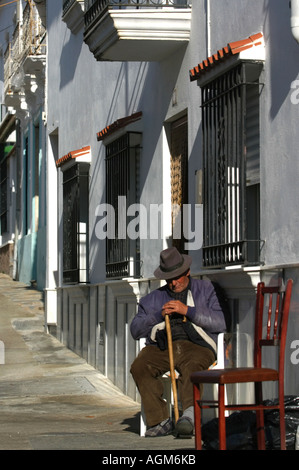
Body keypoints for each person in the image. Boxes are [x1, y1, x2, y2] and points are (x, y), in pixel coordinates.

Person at [130, 247, 227, 438]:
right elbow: (135, 329)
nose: (174, 283)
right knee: (140, 366)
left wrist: (187, 311)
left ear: (187, 272)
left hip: (198, 344)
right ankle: (160, 420)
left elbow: (221, 322)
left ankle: (188, 417)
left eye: (177, 278)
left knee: (192, 367)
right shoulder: (153, 299)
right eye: (169, 279)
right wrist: (158, 315)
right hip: (163, 345)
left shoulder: (207, 290)